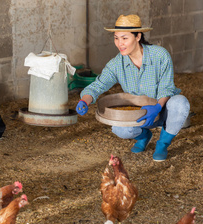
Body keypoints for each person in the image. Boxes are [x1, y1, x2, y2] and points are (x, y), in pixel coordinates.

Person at [76, 14, 190, 162]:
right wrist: (85, 100)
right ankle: (144, 137)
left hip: (162, 109)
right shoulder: (117, 64)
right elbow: (99, 84)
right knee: (119, 128)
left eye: (125, 38)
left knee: (180, 103)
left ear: (138, 37)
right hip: (139, 114)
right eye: (116, 38)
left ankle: (162, 144)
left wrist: (157, 107)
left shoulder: (160, 55)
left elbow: (166, 87)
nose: (119, 43)